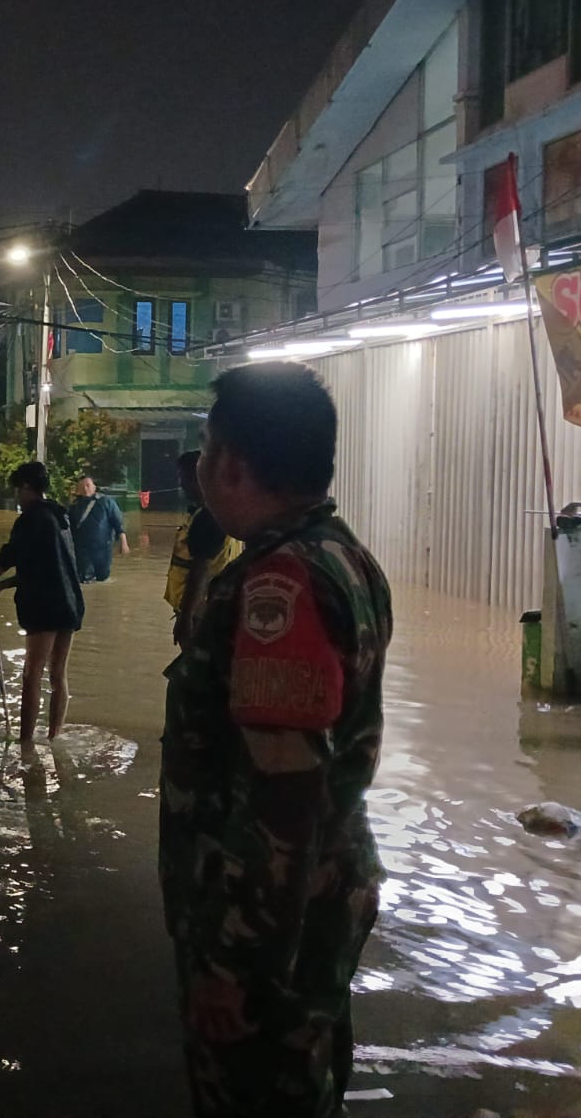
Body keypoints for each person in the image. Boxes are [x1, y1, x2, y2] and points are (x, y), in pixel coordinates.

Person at [159, 362, 391, 1118]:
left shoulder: (279, 586)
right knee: (306, 1081)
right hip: (315, 897)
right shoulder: (344, 556)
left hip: (271, 921)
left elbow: (285, 792)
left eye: (206, 449)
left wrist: (238, 961)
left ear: (231, 463)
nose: (200, 467)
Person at [0, 461, 85, 743]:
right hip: (70, 603)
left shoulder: (31, 520)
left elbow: (8, 559)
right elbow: (43, 567)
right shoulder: (59, 516)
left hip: (45, 607)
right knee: (58, 675)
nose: (17, 497)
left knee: (32, 675)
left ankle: (25, 743)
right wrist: (1, 586)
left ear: (28, 488)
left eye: (18, 490)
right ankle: (55, 737)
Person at [164, 451, 241, 650]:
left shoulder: (207, 518)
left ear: (201, 478)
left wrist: (186, 617)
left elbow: (200, 570)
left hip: (201, 612)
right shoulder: (229, 512)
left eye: (185, 478)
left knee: (195, 663)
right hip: (220, 607)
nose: (182, 484)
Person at [69, 474, 129, 583]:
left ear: (94, 487)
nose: (85, 489)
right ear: (78, 490)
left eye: (88, 485)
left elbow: (118, 524)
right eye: (82, 487)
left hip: (103, 550)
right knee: (86, 580)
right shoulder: (74, 506)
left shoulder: (107, 502)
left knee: (103, 579)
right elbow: (69, 529)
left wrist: (123, 543)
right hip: (83, 551)